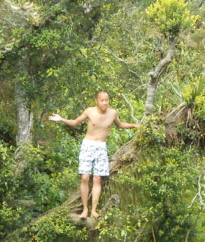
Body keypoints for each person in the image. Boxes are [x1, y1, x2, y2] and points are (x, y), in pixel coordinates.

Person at [49, 91, 139, 219]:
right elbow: (75, 122)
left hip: (101, 147)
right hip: (88, 145)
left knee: (97, 179)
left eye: (106, 100)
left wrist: (134, 125)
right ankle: (85, 209)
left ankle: (94, 210)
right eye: (102, 100)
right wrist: (61, 119)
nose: (104, 102)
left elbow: (120, 125)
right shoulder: (89, 111)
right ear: (96, 101)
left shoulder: (112, 113)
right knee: (85, 177)